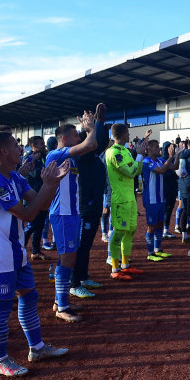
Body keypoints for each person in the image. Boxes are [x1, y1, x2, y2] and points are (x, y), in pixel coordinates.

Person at [0, 131, 71, 377]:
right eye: (15, 146)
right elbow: (29, 214)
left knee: (29, 297)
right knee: (1, 306)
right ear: (4, 152)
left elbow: (42, 204)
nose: (21, 150)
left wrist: (54, 182)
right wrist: (49, 184)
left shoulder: (14, 178)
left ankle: (37, 348)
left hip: (16, 252)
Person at [44, 105, 103, 322]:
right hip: (63, 213)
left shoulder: (72, 156)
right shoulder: (56, 153)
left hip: (72, 213)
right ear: (65, 138)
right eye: (75, 136)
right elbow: (89, 142)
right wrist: (90, 128)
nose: (78, 139)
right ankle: (62, 306)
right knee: (68, 258)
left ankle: (60, 301)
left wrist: (91, 130)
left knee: (68, 257)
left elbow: (93, 144)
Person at [68, 116, 110, 297]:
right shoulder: (81, 156)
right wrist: (96, 125)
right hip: (84, 208)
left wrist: (100, 124)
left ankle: (83, 277)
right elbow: (95, 143)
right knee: (79, 247)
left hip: (94, 207)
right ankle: (73, 283)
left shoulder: (96, 159)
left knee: (86, 246)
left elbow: (99, 143)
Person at [105, 123, 147, 279]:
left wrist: (139, 157)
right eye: (128, 133)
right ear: (122, 134)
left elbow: (138, 171)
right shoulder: (113, 152)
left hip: (130, 198)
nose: (130, 136)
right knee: (119, 233)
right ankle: (115, 270)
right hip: (120, 200)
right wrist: (140, 156)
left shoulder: (126, 151)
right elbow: (130, 172)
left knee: (130, 231)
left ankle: (125, 264)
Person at [141, 137, 179, 261]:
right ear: (149, 149)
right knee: (151, 226)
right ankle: (150, 253)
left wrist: (177, 155)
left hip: (160, 198)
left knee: (159, 224)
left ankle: (158, 249)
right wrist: (170, 157)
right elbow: (162, 171)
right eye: (157, 147)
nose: (159, 149)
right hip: (151, 199)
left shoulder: (159, 160)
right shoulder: (146, 161)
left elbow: (175, 167)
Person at [22, 136, 50, 261]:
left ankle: (35, 251)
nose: (44, 145)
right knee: (32, 224)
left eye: (44, 143)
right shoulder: (28, 158)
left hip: (42, 196)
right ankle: (19, 248)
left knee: (40, 225)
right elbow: (33, 173)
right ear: (33, 145)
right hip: (31, 197)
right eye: (41, 144)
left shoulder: (44, 157)